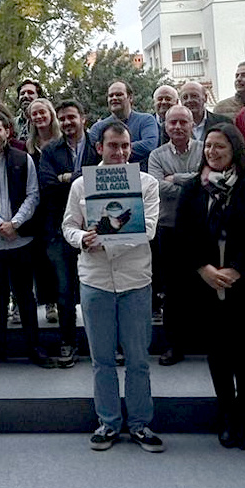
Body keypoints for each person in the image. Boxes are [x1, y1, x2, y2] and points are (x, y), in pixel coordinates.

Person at [177, 122, 245, 449]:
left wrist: (235, 270)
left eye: (219, 146)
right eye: (208, 146)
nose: (212, 152)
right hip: (205, 285)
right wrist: (203, 269)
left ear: (234, 148)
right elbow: (183, 236)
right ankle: (226, 414)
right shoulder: (193, 189)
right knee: (218, 355)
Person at [65, 122, 163, 452]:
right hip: (95, 281)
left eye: (125, 146)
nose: (120, 153)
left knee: (138, 359)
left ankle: (140, 424)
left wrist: (105, 239)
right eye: (113, 146)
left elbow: (147, 229)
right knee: (101, 359)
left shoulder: (147, 184)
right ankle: (108, 423)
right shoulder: (81, 186)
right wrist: (83, 239)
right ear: (99, 148)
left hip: (135, 280)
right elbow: (68, 227)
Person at [0, 111, 46, 367]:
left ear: (7, 131)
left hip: (21, 240)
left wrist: (14, 223)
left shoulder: (24, 159)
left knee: (26, 295)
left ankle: (34, 347)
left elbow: (33, 195)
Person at [35, 100, 97, 366]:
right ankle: (68, 343)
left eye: (72, 117)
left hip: (97, 228)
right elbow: (47, 185)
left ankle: (102, 344)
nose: (67, 122)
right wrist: (84, 177)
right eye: (62, 118)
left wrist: (67, 178)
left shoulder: (98, 145)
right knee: (64, 292)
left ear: (83, 118)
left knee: (97, 289)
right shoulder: (50, 150)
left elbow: (106, 176)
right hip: (60, 229)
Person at [146, 105, 203, 366]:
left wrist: (176, 178)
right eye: (173, 123)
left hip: (203, 227)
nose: (178, 127)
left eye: (183, 122)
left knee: (204, 285)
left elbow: (211, 181)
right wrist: (194, 181)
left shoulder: (205, 148)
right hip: (168, 228)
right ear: (165, 126)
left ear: (192, 124)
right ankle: (173, 345)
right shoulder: (156, 155)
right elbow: (158, 188)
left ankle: (207, 341)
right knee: (172, 290)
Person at [89, 81, 161, 163]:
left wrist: (111, 149)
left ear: (130, 98)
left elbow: (149, 145)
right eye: (110, 95)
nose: (114, 98)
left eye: (119, 94)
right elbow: (96, 151)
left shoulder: (146, 120)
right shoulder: (97, 127)